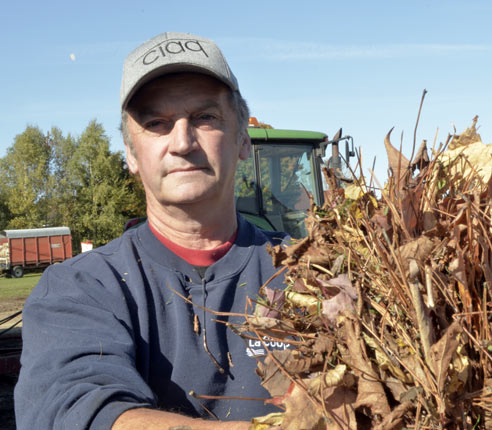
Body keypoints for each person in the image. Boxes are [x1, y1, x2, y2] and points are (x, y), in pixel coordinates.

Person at [14, 32, 288, 430]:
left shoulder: (313, 273)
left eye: (204, 117)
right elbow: (74, 411)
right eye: (156, 123)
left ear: (242, 138)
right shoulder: (80, 287)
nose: (182, 141)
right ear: (130, 154)